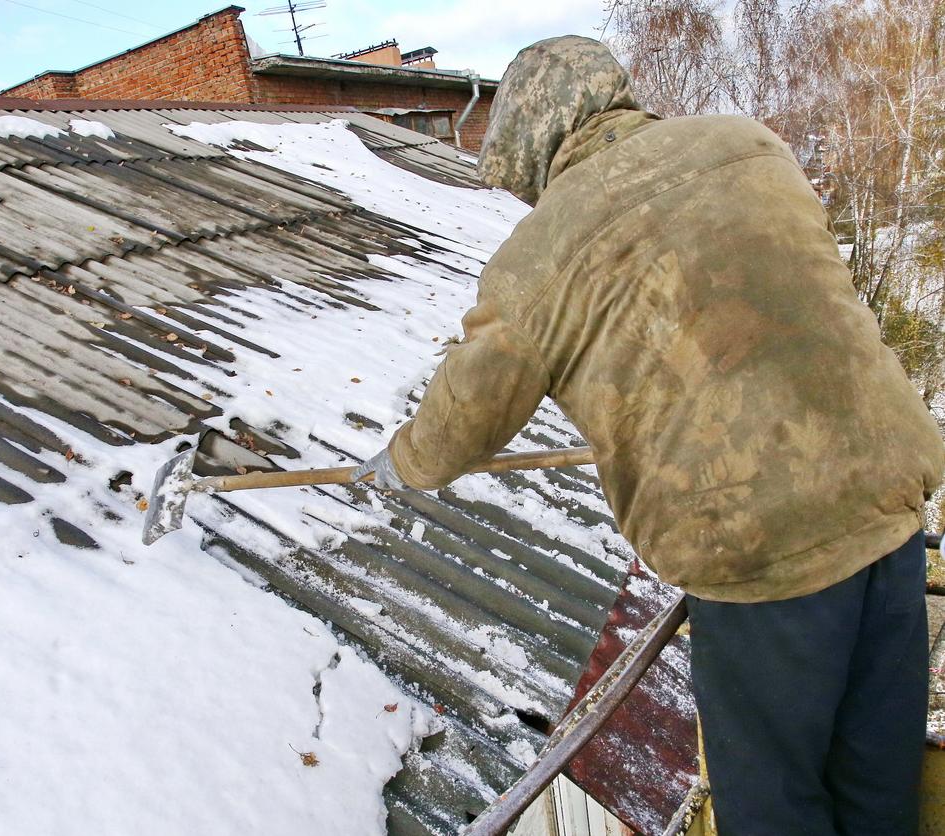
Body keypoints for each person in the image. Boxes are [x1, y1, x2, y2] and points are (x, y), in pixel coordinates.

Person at [352, 36, 944, 834]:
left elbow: (469, 408)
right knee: (877, 774)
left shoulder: (540, 256)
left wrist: (405, 462)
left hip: (756, 548)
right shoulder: (747, 144)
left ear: (531, 138)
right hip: (887, 491)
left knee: (773, 800)